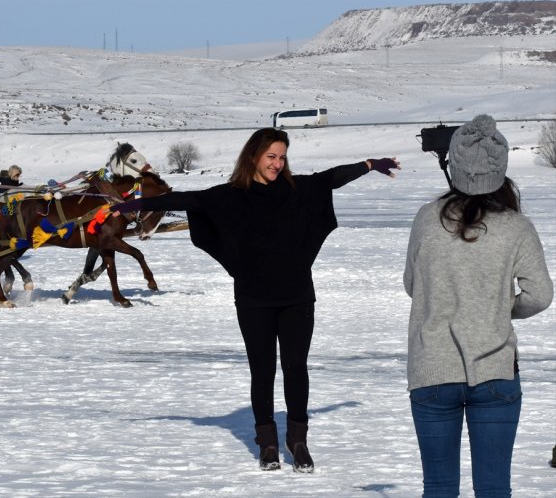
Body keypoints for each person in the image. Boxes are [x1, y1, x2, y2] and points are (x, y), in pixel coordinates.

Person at [110, 127, 400, 472]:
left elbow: (330, 179)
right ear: (254, 157)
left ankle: (298, 440)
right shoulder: (230, 196)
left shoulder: (298, 189)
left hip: (296, 296)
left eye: (281, 157)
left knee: (296, 368)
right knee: (261, 370)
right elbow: (186, 200)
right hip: (252, 298)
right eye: (270, 156)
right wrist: (137, 203)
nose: (277, 164)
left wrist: (369, 164)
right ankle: (268, 443)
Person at [403, 115, 553, 496]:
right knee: (493, 487)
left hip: (433, 371)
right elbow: (540, 295)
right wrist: (497, 309)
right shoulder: (516, 226)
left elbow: (413, 285)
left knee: (438, 487)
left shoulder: (426, 219)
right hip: (495, 372)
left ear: (454, 167)